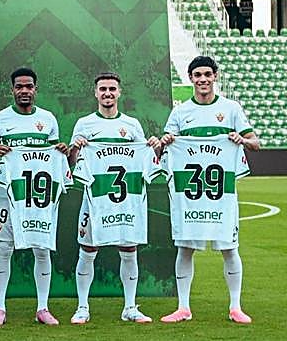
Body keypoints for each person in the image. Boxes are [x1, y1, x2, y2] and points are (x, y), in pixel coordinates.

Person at [159, 55, 259, 324]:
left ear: (215, 76)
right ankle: (183, 307)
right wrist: (166, 141)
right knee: (185, 248)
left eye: (207, 74)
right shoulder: (180, 112)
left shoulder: (231, 108)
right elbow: (162, 147)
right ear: (190, 78)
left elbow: (255, 142)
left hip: (221, 197)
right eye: (197, 75)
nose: (203, 79)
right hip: (190, 197)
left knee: (230, 248)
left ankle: (235, 306)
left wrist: (242, 140)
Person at [68, 72, 163, 324]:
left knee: (129, 249)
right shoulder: (84, 124)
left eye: (112, 89)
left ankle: (130, 307)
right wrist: (75, 148)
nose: (107, 93)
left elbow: (147, 160)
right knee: (87, 250)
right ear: (95, 93)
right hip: (95, 199)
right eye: (103, 89)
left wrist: (155, 147)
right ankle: (82, 307)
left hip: (125, 201)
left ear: (119, 92)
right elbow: (72, 165)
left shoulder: (132, 125)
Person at [0, 67, 67, 326]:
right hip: (8, 193)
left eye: (28, 86)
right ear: (12, 89)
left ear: (35, 89)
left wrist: (62, 151)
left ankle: (42, 307)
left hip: (37, 196)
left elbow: (54, 154)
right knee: (4, 246)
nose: (24, 91)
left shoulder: (48, 119)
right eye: (19, 86)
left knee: (42, 248)